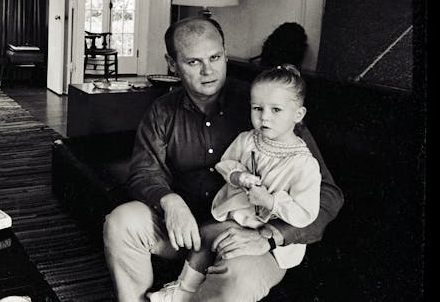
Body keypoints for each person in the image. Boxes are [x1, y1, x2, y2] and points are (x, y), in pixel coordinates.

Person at [103, 17, 344, 302]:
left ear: (225, 54)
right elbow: (144, 172)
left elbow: (329, 194)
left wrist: (269, 236)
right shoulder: (162, 111)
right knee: (121, 221)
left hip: (249, 236)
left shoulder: (263, 105)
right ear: (172, 64)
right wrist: (169, 201)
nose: (208, 71)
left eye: (215, 57)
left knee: (237, 282)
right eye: (193, 62)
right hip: (186, 229)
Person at [149, 64, 321, 302]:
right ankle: (183, 290)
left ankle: (185, 294)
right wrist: (237, 175)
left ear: (298, 115)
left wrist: (271, 201)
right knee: (206, 235)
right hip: (238, 220)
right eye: (258, 108)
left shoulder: (304, 164)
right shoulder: (248, 140)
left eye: (276, 110)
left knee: (224, 252)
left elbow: (306, 213)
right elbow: (225, 163)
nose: (264, 118)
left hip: (267, 237)